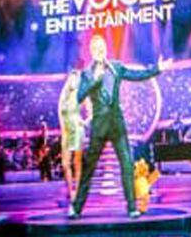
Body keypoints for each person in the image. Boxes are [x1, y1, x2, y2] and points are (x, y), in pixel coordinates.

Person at [69, 34, 166, 218]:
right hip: (98, 127)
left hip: (117, 126)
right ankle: (77, 208)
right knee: (89, 168)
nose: (99, 50)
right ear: (91, 51)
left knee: (127, 165)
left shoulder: (116, 67)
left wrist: (157, 69)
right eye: (95, 47)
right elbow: (79, 97)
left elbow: (137, 75)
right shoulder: (87, 74)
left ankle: (131, 208)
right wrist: (94, 81)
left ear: (105, 49)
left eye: (102, 47)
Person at [57, 69, 85, 203]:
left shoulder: (81, 94)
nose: (74, 81)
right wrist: (62, 129)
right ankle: (70, 190)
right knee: (65, 164)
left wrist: (84, 122)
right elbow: (60, 114)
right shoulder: (63, 96)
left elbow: (91, 111)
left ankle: (77, 192)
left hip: (78, 130)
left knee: (77, 163)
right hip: (66, 131)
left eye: (77, 78)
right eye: (73, 78)